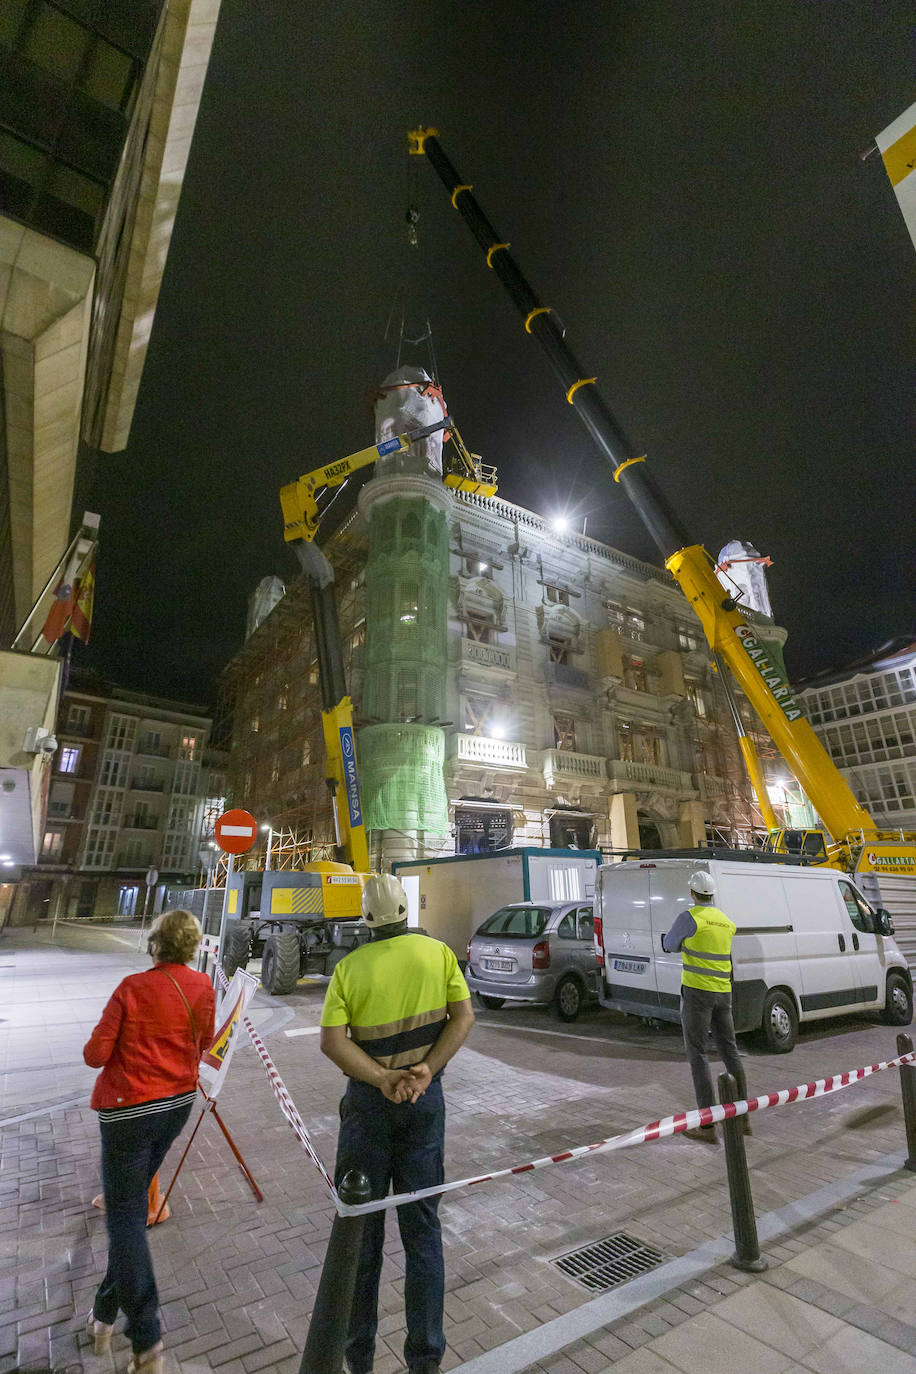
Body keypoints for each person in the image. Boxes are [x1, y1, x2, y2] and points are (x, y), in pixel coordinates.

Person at [319, 873, 474, 1374]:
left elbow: (331, 1043)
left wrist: (383, 1078)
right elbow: (464, 1017)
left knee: (362, 1235)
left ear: (366, 918)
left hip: (368, 1110)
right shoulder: (439, 954)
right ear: (406, 909)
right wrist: (426, 1070)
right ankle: (425, 1358)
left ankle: (357, 1357)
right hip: (424, 1107)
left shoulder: (349, 968)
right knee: (423, 1230)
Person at [83, 908, 215, 1373]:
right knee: (132, 1211)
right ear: (193, 945)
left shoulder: (132, 988)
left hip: (127, 1110)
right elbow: (203, 1045)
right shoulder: (203, 988)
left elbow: (95, 1055)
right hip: (175, 1107)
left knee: (126, 1220)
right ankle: (102, 1314)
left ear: (155, 944)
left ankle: (147, 1338)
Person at [661, 870, 749, 1145]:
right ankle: (742, 1116)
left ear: (692, 894)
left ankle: (707, 1125)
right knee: (730, 1051)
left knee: (697, 1053)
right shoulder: (726, 922)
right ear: (712, 894)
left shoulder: (689, 918)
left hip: (698, 993)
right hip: (724, 994)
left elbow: (669, 944)